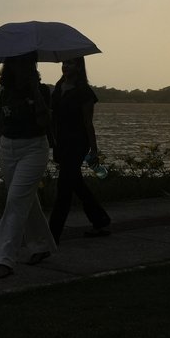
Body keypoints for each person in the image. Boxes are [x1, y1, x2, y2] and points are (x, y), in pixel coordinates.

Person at [0, 52, 56, 278]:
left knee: (15, 201)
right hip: (8, 150)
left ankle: (4, 258)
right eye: (19, 63)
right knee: (25, 201)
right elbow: (0, 126)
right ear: (10, 67)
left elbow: (45, 122)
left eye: (29, 63)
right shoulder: (6, 94)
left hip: (34, 149)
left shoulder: (42, 91)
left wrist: (35, 92)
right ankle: (41, 245)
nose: (24, 68)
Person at [48, 56, 111, 241]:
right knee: (76, 183)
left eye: (70, 63)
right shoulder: (58, 88)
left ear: (79, 66)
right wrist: (51, 140)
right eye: (64, 63)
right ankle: (100, 219)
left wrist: (94, 150)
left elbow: (88, 123)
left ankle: (53, 234)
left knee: (64, 188)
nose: (65, 66)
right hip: (61, 143)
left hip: (77, 143)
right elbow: (52, 117)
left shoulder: (84, 92)